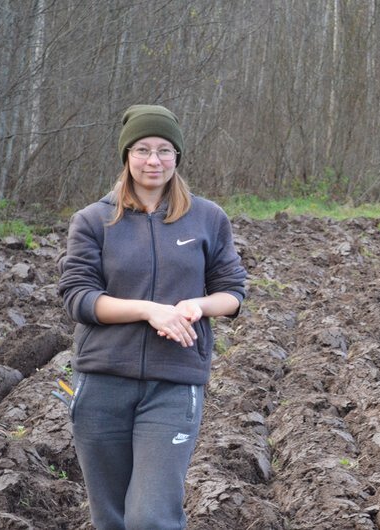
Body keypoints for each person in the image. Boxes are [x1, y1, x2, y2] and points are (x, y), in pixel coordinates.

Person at [58, 104, 246, 529]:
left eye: (164, 150)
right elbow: (79, 297)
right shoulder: (93, 221)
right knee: (111, 518)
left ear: (178, 156)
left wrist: (197, 306)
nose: (153, 160)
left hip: (174, 383)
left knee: (150, 517)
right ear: (126, 156)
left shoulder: (208, 218)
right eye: (142, 149)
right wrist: (148, 311)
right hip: (102, 383)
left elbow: (233, 292)